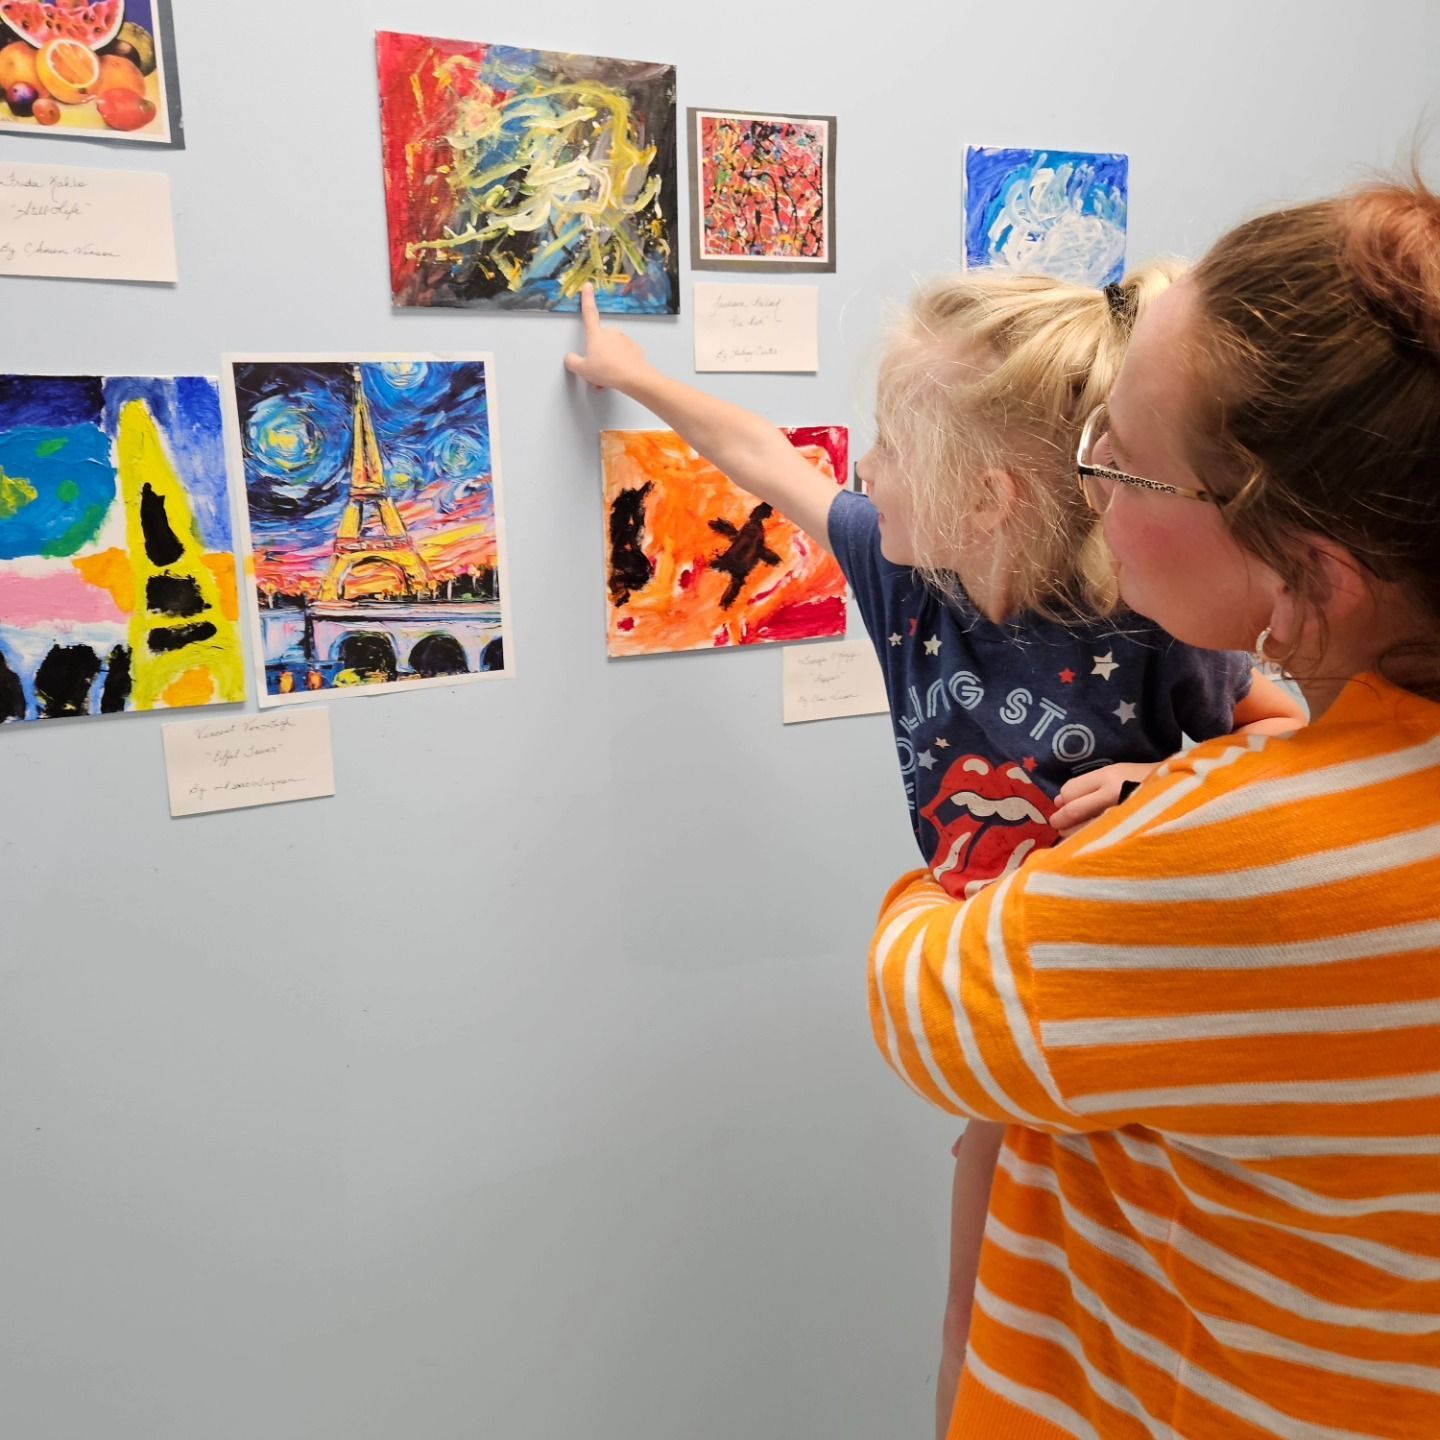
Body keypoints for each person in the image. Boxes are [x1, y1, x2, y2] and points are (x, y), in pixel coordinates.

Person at [563, 273, 1305, 1432]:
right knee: (980, 1277)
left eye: (887, 452)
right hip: (1004, 1002)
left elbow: (1293, 738)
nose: (860, 474)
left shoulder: (1143, 621)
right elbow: (763, 459)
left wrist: (1170, 777)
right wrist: (639, 381)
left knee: (1123, 1275)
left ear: (988, 499)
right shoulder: (903, 575)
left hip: (1126, 1011)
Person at [867, 174, 1440, 1440]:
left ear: (1314, 572)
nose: (1089, 490)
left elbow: (928, 1001)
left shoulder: (1249, 859)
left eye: (1123, 462)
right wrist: (1187, 784)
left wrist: (950, 861)